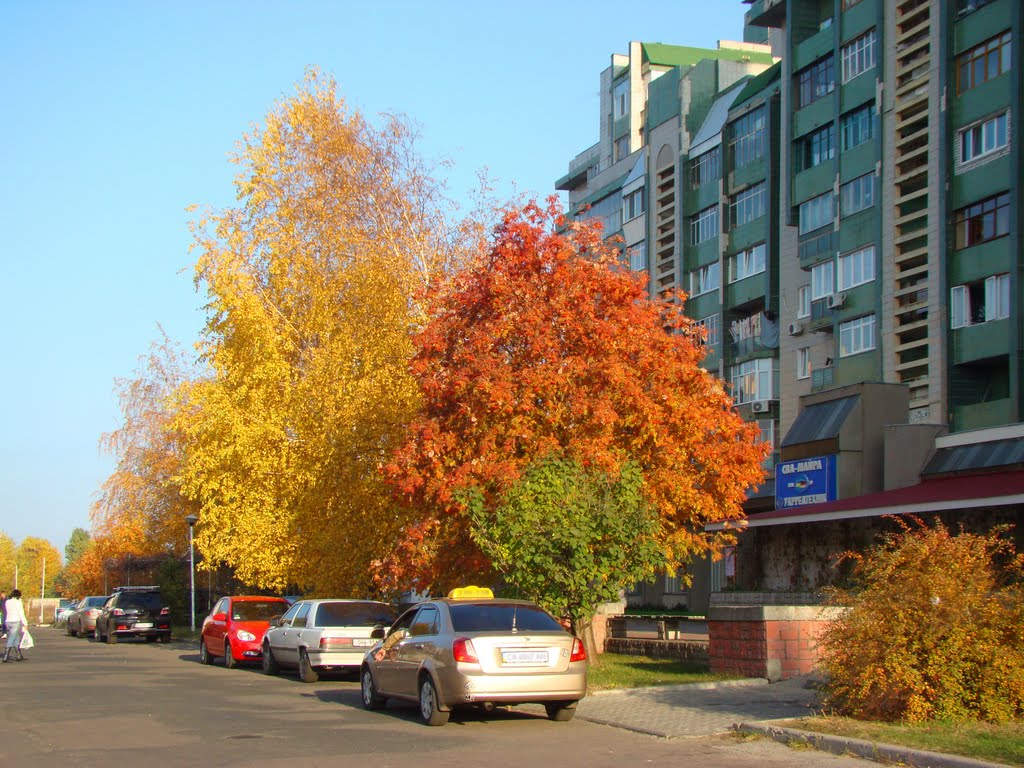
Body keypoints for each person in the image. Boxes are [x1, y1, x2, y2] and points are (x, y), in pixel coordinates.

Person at [3, 589, 27, 662]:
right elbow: (21, 613)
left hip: (8, 621)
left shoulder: (7, 602)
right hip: (15, 621)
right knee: (12, 638)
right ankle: (5, 656)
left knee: (16, 637)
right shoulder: (18, 602)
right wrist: (25, 623)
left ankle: (19, 655)